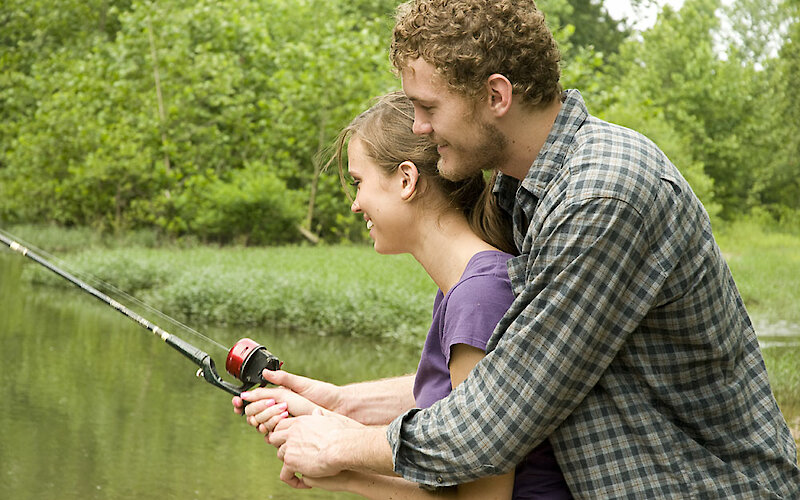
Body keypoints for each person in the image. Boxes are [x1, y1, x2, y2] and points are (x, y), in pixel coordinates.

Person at [248, 0, 800, 498]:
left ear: (495, 96)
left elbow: (492, 424)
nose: (417, 125)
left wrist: (341, 445)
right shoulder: (526, 192)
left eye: (428, 107)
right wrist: (342, 404)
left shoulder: (603, 195)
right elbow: (506, 378)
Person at [236, 91, 572, 499]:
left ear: (407, 180)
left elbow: (480, 496)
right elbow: (446, 421)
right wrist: (334, 409)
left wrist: (344, 468)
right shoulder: (463, 287)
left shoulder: (479, 296)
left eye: (359, 183)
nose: (356, 205)